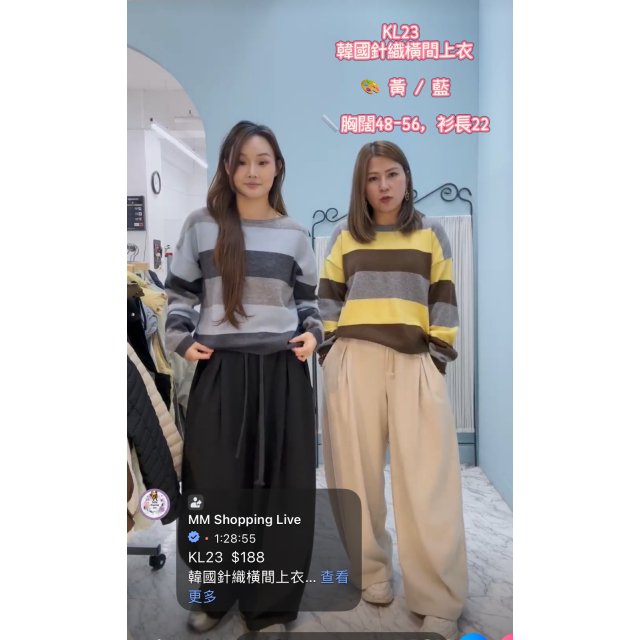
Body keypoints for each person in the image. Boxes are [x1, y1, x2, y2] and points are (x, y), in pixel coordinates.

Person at [165, 120, 322, 634]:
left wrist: (313, 335)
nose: (252, 171)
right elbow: (179, 295)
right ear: (227, 167)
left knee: (281, 489)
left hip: (282, 374)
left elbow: (310, 302)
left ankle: (269, 606)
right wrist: (180, 337)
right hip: (222, 373)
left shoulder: (294, 233)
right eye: (242, 161)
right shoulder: (201, 226)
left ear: (278, 168)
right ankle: (214, 596)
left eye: (263, 161)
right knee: (214, 487)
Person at [318, 141, 468, 640]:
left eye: (392, 174)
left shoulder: (431, 232)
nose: (383, 186)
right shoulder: (343, 235)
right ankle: (370, 572)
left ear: (407, 177)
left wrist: (437, 356)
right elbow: (327, 300)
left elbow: (444, 296)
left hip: (415, 360)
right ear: (360, 185)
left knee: (429, 481)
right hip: (353, 360)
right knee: (355, 475)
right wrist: (331, 352)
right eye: (372, 177)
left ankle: (438, 595)